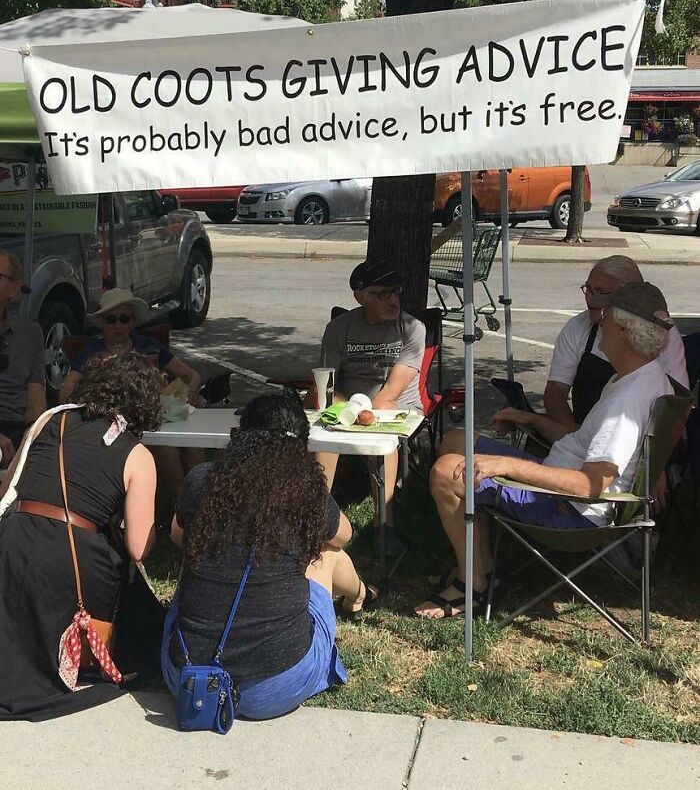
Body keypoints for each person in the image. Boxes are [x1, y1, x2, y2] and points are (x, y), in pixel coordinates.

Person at [415, 282, 674, 619]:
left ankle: (472, 588)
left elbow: (591, 485)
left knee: (449, 472)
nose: (599, 323)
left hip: (572, 512)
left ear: (623, 329)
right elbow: (584, 439)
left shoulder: (627, 401)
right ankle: (485, 567)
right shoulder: (641, 377)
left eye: (605, 316)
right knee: (456, 441)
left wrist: (505, 465)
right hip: (563, 487)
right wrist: (529, 419)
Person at [162, 392, 374, 721]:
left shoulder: (202, 479)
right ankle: (359, 593)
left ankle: (358, 594)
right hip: (276, 685)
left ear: (240, 435)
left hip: (189, 680)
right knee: (326, 552)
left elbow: (178, 535)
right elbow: (343, 534)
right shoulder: (305, 489)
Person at [0, 352, 161, 719]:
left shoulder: (49, 420)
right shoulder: (136, 454)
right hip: (71, 554)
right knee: (129, 580)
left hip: (13, 541)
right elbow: (137, 546)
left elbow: (9, 487)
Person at [315, 259, 425, 550]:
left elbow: (390, 393)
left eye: (396, 292)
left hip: (397, 408)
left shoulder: (412, 329)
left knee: (382, 428)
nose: (393, 300)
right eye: (383, 294)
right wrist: (337, 410)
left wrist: (362, 414)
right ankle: (317, 520)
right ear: (360, 296)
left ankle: (384, 522)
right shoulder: (340, 328)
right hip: (349, 406)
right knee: (326, 430)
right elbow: (328, 384)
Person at [59, 287, 204, 494]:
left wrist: (191, 391)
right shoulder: (92, 351)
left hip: (157, 417)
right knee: (167, 451)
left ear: (133, 321)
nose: (118, 325)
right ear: (103, 323)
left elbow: (192, 375)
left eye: (124, 319)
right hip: (116, 424)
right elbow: (65, 392)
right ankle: (181, 508)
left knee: (193, 446)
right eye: (111, 319)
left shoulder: (148, 346)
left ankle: (199, 503)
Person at [544, 255, 687, 430]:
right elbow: (555, 391)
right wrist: (571, 434)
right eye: (587, 289)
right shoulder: (578, 326)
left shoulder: (660, 337)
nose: (590, 298)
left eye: (601, 292)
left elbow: (676, 407)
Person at [0, 249, 46, 466]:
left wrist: (32, 436)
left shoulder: (29, 332)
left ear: (14, 288)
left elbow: (36, 392)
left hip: (15, 426)